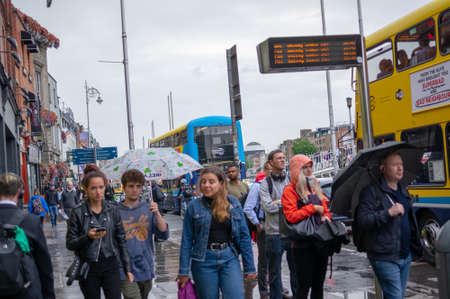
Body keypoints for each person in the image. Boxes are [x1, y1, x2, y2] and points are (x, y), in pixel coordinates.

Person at [177, 166, 257, 298]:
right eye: (203, 182)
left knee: (235, 295)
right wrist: (183, 271)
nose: (206, 185)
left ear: (221, 183)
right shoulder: (194, 206)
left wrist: (250, 267)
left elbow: (244, 236)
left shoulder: (233, 204)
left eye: (211, 182)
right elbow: (186, 240)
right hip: (203, 261)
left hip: (229, 258)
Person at [357, 152, 422, 299]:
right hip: (384, 256)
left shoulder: (403, 191)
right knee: (395, 296)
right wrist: (388, 213)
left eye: (401, 164)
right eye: (394, 165)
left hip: (404, 254)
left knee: (396, 295)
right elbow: (363, 220)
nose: (400, 168)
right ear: (383, 168)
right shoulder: (371, 192)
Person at [66, 164, 133, 299]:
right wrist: (88, 237)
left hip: (111, 264)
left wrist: (128, 268)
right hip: (89, 266)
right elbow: (70, 243)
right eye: (93, 188)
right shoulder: (78, 212)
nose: (98, 192)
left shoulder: (112, 209)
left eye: (101, 187)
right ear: (85, 189)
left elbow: (121, 239)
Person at [282, 155, 331, 299]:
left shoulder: (315, 187)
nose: (309, 170)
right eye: (305, 167)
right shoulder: (290, 191)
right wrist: (313, 208)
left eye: (310, 166)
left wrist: (326, 216)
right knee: (303, 286)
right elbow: (291, 216)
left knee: (318, 285)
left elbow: (325, 209)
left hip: (320, 242)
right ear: (297, 169)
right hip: (302, 245)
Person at [0, 173, 55, 299]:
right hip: (26, 290)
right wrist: (48, 295)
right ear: (20, 193)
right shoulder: (31, 221)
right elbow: (44, 266)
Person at [118, 169, 169, 299]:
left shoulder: (149, 208)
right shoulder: (115, 211)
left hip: (145, 265)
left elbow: (163, 234)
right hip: (125, 268)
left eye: (138, 186)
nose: (134, 190)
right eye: (131, 186)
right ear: (124, 187)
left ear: (142, 188)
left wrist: (157, 213)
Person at [260, 150, 296, 299]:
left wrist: (279, 202)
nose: (282, 160)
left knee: (296, 270)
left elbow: (297, 203)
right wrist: (286, 203)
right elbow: (268, 207)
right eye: (278, 158)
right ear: (271, 162)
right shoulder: (265, 183)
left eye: (283, 157)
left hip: (292, 232)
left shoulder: (290, 180)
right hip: (274, 234)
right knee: (275, 273)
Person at [244, 161, 272, 299]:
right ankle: (263, 289)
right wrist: (257, 223)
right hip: (264, 225)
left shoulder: (279, 184)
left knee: (276, 257)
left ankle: (275, 285)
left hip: (277, 225)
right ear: (266, 170)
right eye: (271, 170)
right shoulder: (257, 186)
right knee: (264, 260)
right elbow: (248, 208)